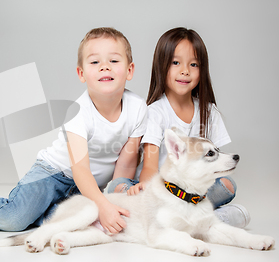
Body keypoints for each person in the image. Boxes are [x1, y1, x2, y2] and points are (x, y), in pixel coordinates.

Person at [0, 27, 147, 234]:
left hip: (91, 186)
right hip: (53, 174)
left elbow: (125, 165)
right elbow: (80, 170)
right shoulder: (78, 112)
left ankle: (18, 206)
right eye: (95, 62)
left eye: (114, 61)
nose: (105, 67)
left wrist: (112, 199)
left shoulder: (137, 109)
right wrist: (103, 206)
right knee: (15, 220)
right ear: (81, 74)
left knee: (77, 222)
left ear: (130, 70)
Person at [106, 27, 250, 228]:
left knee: (227, 185)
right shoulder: (155, 112)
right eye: (175, 63)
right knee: (117, 186)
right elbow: (149, 166)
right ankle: (210, 221)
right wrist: (146, 188)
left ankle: (184, 221)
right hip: (160, 190)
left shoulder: (210, 112)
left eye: (194, 64)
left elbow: (215, 164)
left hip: (193, 189)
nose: (185, 71)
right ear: (161, 66)